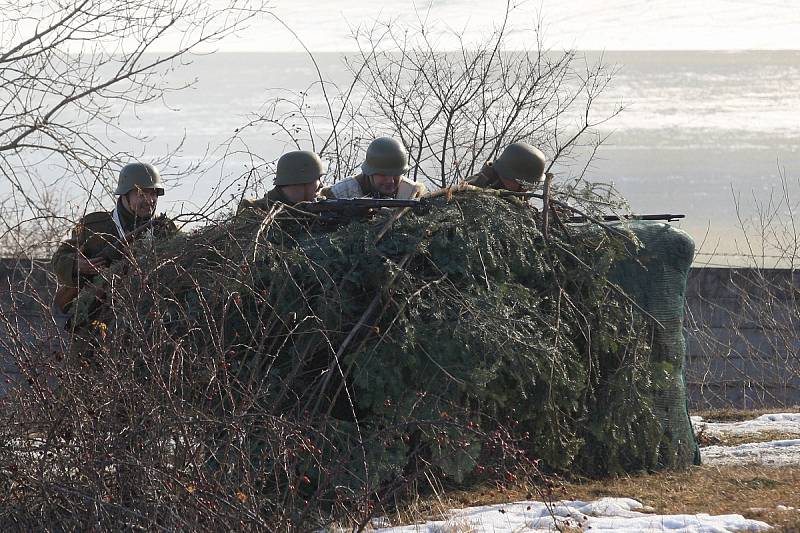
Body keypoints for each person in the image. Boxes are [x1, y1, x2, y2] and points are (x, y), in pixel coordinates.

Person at [319, 137, 426, 200]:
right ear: (370, 172)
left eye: (395, 174)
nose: (390, 181)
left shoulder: (411, 193)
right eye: (383, 175)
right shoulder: (342, 193)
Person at [237, 150, 325, 214]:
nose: (321, 185)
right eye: (317, 179)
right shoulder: (256, 213)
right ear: (301, 180)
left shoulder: (323, 206)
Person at [466, 142, 548, 192]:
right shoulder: (474, 191)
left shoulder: (502, 188)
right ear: (511, 177)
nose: (527, 189)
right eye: (525, 184)